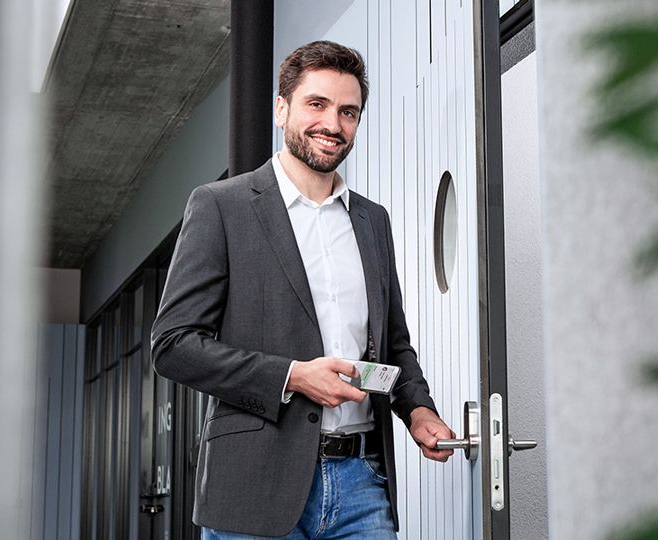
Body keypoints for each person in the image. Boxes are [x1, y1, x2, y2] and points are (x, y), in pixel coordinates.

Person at [150, 40, 455, 540]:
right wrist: (291, 376)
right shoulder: (221, 206)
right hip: (252, 488)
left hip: (361, 483)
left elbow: (392, 346)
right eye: (317, 104)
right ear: (281, 108)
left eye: (348, 111)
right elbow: (173, 346)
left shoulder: (372, 221)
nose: (333, 125)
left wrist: (419, 411)